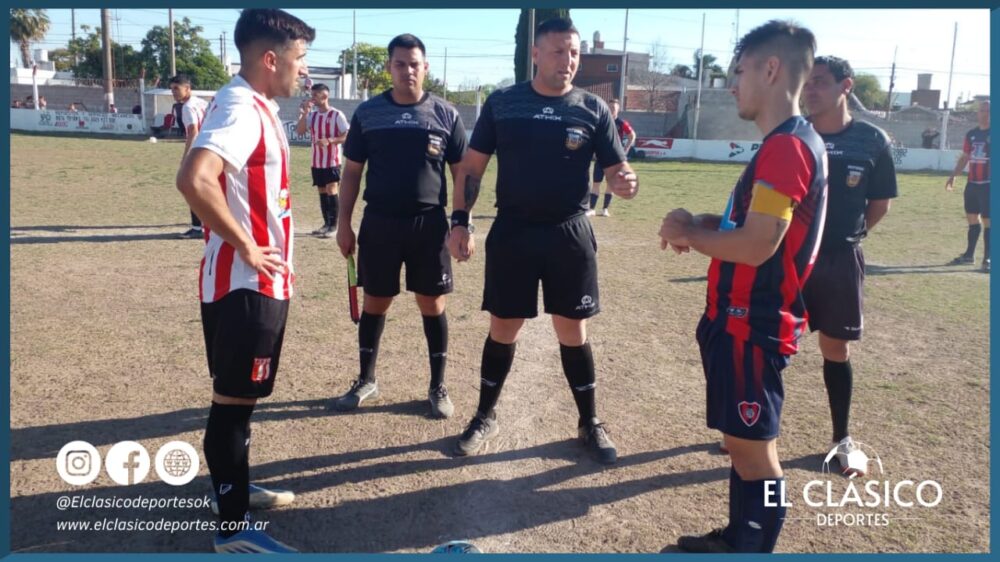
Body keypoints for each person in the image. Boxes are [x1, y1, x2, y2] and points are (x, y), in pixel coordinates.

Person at [659, 20, 825, 552]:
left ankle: (754, 546)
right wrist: (702, 222)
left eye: (740, 71)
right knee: (741, 443)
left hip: (751, 325)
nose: (733, 83)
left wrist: (689, 232)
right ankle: (739, 537)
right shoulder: (787, 144)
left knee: (756, 453)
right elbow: (751, 224)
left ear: (771, 70)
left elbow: (757, 246)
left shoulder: (787, 147)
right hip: (737, 323)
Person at [447, 17, 638, 464]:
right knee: (503, 327)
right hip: (513, 232)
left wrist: (627, 182)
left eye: (573, 53)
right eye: (557, 52)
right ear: (535, 54)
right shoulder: (503, 103)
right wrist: (460, 221)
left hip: (569, 233)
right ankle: (484, 415)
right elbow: (471, 168)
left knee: (573, 330)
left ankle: (588, 422)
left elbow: (617, 171)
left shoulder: (592, 109)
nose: (567, 61)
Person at [175, 8, 314, 553]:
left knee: (239, 400)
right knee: (232, 402)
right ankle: (233, 533)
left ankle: (233, 488)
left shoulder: (254, 103)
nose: (303, 72)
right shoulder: (240, 106)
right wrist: (248, 246)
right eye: (299, 61)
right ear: (271, 58)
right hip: (245, 287)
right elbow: (193, 178)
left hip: (247, 285)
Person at [334, 34, 467, 418]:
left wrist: (464, 224)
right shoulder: (368, 114)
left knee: (433, 303)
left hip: (430, 225)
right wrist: (344, 224)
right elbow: (351, 174)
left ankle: (437, 386)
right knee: (376, 301)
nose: (407, 70)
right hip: (380, 223)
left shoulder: (445, 114)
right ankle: (366, 380)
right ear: (389, 68)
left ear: (425, 67)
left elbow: (463, 175)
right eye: (399, 64)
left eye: (414, 64)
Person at [800, 55, 897, 477]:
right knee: (768, 345)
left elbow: (880, 203)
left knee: (835, 349)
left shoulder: (873, 140)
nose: (810, 90)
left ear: (846, 86)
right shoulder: (794, 135)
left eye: (819, 82)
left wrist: (849, 237)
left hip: (840, 259)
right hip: (790, 259)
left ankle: (841, 440)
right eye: (807, 83)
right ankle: (753, 430)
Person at [296, 82, 349, 238]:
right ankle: (326, 224)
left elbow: (347, 135)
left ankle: (333, 226)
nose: (311, 99)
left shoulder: (336, 115)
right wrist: (305, 113)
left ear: (324, 95)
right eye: (311, 95)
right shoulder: (312, 115)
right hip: (316, 161)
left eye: (314, 95)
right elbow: (299, 131)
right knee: (321, 191)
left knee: (332, 189)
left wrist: (330, 140)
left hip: (332, 161)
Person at [946, 100, 991, 272]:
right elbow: (965, 157)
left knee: (989, 221)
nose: (984, 113)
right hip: (972, 184)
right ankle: (969, 255)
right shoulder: (971, 134)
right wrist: (953, 176)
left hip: (989, 185)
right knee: (972, 218)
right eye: (981, 110)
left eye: (987, 110)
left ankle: (987, 258)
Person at [171, 73, 211, 240]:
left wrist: (186, 156)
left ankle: (197, 228)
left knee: (191, 187)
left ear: (187, 88)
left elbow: (193, 131)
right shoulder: (201, 102)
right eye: (172, 89)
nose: (173, 92)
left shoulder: (187, 107)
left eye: (176, 88)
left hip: (199, 150)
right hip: (211, 149)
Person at [587, 98, 636, 217]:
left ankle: (605, 209)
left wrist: (626, 149)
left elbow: (632, 135)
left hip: (614, 160)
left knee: (610, 185)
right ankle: (592, 209)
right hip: (600, 157)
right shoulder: (600, 121)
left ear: (618, 109)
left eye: (614, 108)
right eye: (609, 107)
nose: (611, 109)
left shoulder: (621, 123)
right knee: (596, 183)